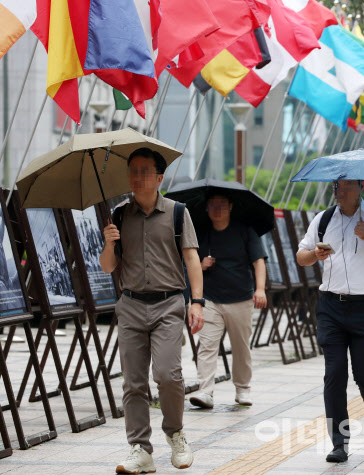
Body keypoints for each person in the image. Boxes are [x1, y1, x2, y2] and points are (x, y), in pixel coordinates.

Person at [100, 148, 204, 474]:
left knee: (167, 375)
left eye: (144, 171)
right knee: (132, 382)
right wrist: (108, 243)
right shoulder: (118, 215)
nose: (137, 177)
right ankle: (140, 450)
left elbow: (191, 259)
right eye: (133, 171)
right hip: (130, 305)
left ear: (159, 178)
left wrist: (197, 302)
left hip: (168, 304)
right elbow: (107, 267)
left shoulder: (177, 213)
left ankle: (175, 433)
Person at [296, 179, 364, 464]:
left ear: (361, 187)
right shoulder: (324, 218)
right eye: (335, 187)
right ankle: (339, 442)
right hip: (330, 306)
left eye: (345, 187)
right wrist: (314, 255)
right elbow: (301, 256)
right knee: (334, 374)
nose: (339, 192)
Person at [189, 194, 268, 409]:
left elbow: (258, 261)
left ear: (230, 206)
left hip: (240, 298)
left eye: (222, 204)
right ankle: (205, 391)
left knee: (241, 347)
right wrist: (201, 265)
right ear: (206, 208)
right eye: (212, 204)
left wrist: (260, 289)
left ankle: (243, 389)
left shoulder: (245, 230)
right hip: (210, 299)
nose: (217, 209)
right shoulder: (201, 233)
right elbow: (190, 261)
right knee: (206, 345)